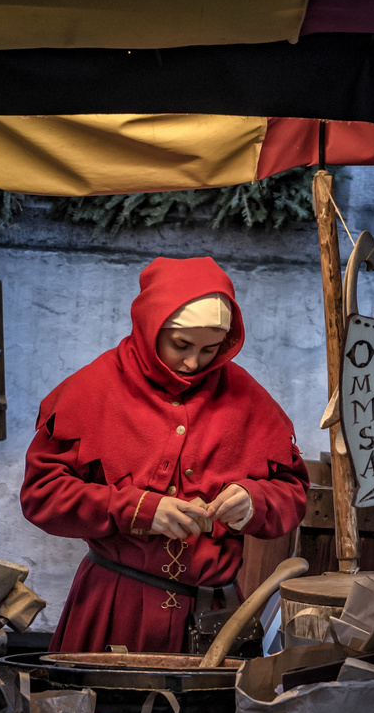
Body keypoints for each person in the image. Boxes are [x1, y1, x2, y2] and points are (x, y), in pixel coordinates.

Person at [21, 255, 310, 654]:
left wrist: (252, 501)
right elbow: (42, 496)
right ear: (149, 326)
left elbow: (292, 491)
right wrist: (137, 508)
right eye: (181, 344)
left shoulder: (249, 399)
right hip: (113, 607)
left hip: (216, 617)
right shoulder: (91, 391)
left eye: (211, 349)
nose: (194, 362)